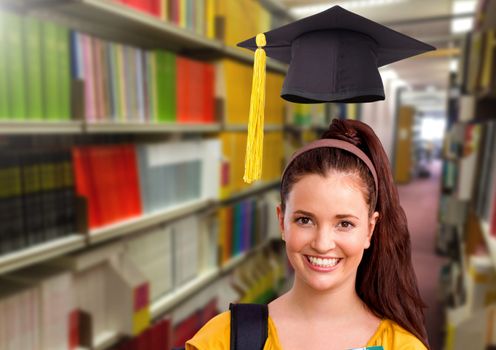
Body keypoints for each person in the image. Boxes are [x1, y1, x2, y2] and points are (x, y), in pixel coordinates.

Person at [186, 118, 429, 349]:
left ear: (370, 229)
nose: (322, 244)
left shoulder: (401, 346)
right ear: (282, 222)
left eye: (344, 224)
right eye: (305, 220)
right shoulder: (224, 338)